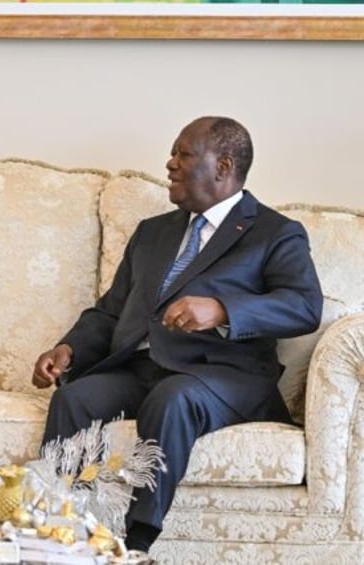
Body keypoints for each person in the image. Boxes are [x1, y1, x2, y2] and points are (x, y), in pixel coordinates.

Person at [31, 116, 322, 552]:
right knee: (76, 397)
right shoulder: (154, 232)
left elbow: (304, 306)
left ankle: (135, 544)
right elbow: (111, 312)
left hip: (221, 375)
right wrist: (68, 349)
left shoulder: (274, 233)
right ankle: (65, 531)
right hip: (142, 367)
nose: (169, 164)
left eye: (183, 154)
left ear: (223, 166)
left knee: (174, 399)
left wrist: (223, 309)